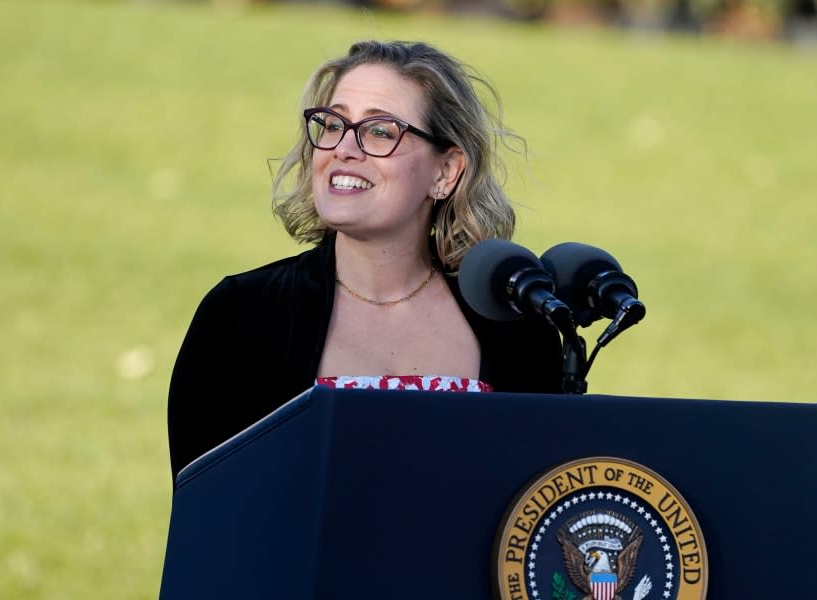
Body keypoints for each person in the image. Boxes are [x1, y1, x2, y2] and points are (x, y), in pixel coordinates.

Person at [167, 40, 563, 482]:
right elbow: (208, 517)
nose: (343, 148)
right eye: (333, 124)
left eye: (380, 131)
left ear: (445, 171)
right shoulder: (241, 315)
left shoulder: (517, 329)